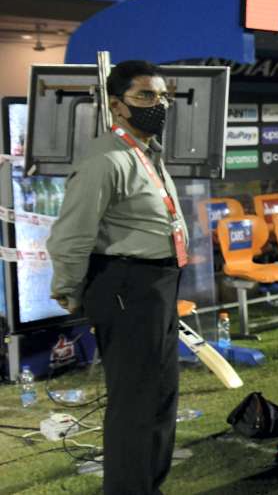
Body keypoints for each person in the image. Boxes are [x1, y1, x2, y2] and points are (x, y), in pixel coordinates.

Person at [48, 60, 189, 495]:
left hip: (157, 286)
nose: (157, 104)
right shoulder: (104, 159)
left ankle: (149, 486)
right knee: (135, 403)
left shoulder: (145, 152)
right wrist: (68, 288)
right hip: (128, 286)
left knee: (161, 397)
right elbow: (72, 234)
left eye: (162, 96)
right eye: (145, 95)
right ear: (116, 105)